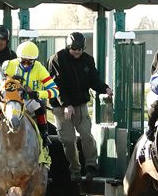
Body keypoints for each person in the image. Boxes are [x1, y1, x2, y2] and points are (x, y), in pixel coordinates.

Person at [48, 31, 113, 180]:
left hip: (80, 104)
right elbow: (57, 85)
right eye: (74, 49)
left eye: (79, 49)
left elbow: (93, 80)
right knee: (69, 140)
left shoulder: (88, 60)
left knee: (86, 134)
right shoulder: (57, 59)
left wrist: (105, 88)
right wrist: (66, 104)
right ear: (68, 46)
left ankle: (91, 165)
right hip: (61, 106)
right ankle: (75, 170)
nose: (77, 52)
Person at [0, 40, 61, 156]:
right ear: (18, 58)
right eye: (23, 61)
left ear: (35, 60)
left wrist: (36, 94)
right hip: (10, 99)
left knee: (38, 105)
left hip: (28, 100)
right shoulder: (8, 65)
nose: (26, 64)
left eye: (30, 62)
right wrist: (5, 92)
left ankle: (44, 134)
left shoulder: (40, 69)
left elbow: (54, 91)